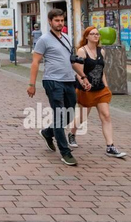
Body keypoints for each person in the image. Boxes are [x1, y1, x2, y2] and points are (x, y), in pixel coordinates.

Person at [27, 9, 87, 167]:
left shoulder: (67, 38)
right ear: (50, 21)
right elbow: (35, 62)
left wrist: (83, 77)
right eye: (57, 21)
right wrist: (32, 84)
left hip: (69, 80)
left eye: (62, 20)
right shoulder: (43, 40)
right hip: (52, 81)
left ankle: (47, 133)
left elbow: (71, 61)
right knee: (60, 115)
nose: (60, 23)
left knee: (69, 114)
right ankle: (65, 152)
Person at [68, 26, 127, 158]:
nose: (96, 36)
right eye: (93, 34)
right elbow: (78, 70)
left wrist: (106, 87)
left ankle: (110, 146)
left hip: (100, 89)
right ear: (87, 36)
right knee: (83, 117)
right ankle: (72, 133)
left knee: (106, 116)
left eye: (97, 34)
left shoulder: (102, 51)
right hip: (86, 90)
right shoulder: (82, 51)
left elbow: (102, 71)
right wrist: (84, 82)